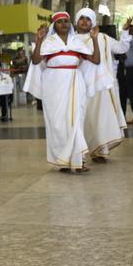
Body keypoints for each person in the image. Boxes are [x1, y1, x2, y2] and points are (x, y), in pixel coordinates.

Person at [23, 12, 103, 172]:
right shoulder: (49, 42)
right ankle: (62, 160)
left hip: (75, 82)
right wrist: (38, 41)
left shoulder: (76, 42)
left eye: (66, 21)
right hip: (53, 85)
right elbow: (36, 60)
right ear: (54, 25)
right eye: (59, 22)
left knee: (76, 120)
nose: (64, 24)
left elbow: (96, 60)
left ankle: (78, 161)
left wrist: (94, 39)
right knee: (57, 124)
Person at [75, 8, 126, 162]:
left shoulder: (103, 38)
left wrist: (125, 33)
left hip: (101, 87)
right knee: (85, 119)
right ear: (76, 21)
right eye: (81, 18)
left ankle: (100, 151)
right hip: (80, 87)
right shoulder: (71, 40)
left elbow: (122, 48)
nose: (85, 21)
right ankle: (81, 152)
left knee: (100, 118)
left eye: (88, 19)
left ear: (93, 22)